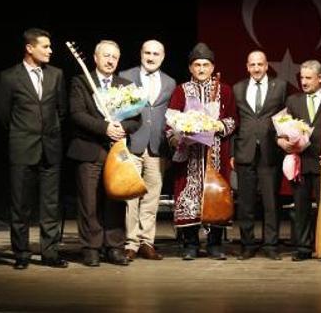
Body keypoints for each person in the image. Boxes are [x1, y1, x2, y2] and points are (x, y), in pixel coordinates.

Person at [0, 28, 68, 269]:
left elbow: (62, 110)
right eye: (45, 46)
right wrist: (22, 134)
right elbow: (3, 115)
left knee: (50, 205)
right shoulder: (9, 76)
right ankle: (22, 254)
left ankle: (49, 253)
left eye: (50, 46)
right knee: (20, 205)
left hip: (50, 148)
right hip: (22, 148)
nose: (50, 50)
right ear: (29, 48)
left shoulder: (56, 74)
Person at [67, 40, 141, 267]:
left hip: (116, 152)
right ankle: (91, 247)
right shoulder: (81, 81)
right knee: (89, 202)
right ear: (96, 57)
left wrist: (122, 128)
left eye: (114, 57)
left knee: (116, 200)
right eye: (106, 56)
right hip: (90, 149)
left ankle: (115, 247)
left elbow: (135, 119)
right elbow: (77, 114)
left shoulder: (124, 85)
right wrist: (104, 128)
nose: (110, 61)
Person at [166, 42, 237, 261]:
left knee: (216, 195)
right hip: (189, 155)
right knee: (189, 194)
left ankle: (215, 243)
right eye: (197, 65)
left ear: (213, 67)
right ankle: (190, 243)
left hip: (216, 153)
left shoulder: (224, 90)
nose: (201, 69)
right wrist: (180, 133)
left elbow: (233, 119)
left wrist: (218, 126)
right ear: (190, 68)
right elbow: (171, 121)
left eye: (206, 65)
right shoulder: (181, 91)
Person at [278, 60, 321, 261]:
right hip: (301, 162)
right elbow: (283, 130)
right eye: (302, 77)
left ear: (320, 78)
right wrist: (282, 142)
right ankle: (303, 247)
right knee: (300, 207)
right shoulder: (293, 101)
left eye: (308, 78)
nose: (304, 81)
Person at [118, 40, 176, 262]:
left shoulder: (169, 82)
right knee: (130, 197)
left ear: (163, 57)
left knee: (152, 197)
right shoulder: (126, 75)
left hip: (157, 146)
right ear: (141, 54)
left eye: (156, 53)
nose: (151, 57)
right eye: (147, 53)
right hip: (132, 144)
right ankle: (130, 243)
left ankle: (147, 242)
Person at [231, 50, 288, 260]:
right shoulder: (237, 88)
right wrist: (232, 151)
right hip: (244, 151)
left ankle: (271, 245)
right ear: (247, 66)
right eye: (252, 64)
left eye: (260, 64)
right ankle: (247, 244)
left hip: (270, 150)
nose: (256, 68)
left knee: (271, 202)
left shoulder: (280, 86)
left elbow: (285, 116)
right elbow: (235, 122)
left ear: (266, 66)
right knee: (245, 203)